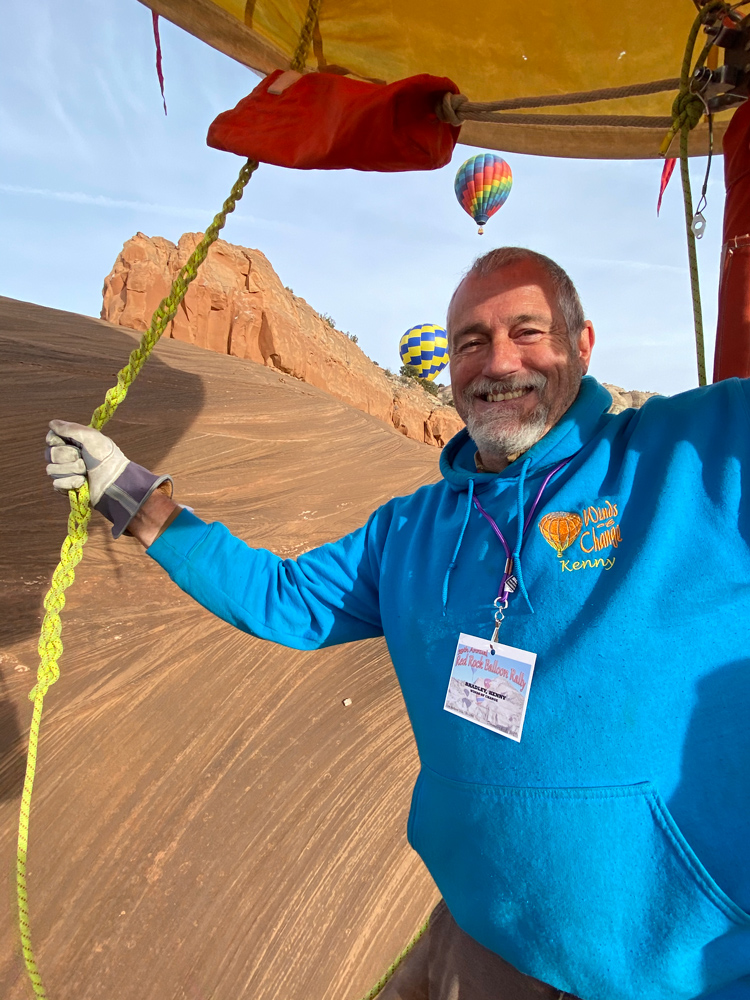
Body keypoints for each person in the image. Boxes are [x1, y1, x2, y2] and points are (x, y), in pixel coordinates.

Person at [45, 248, 750, 1000]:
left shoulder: (694, 450)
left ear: (582, 345)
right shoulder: (407, 532)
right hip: (492, 944)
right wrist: (136, 498)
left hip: (686, 974)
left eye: (527, 331)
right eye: (471, 342)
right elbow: (283, 597)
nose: (498, 362)